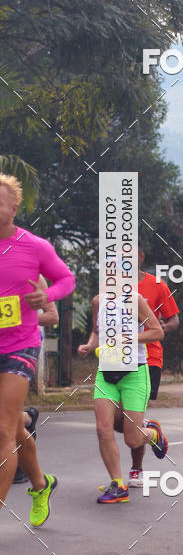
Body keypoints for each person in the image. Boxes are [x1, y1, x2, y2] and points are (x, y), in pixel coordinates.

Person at [0, 174, 76, 525]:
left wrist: (47, 296)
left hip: (19, 346)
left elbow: (67, 279)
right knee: (14, 429)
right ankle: (41, 484)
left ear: (13, 209)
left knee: (2, 431)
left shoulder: (34, 246)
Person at [78, 290, 168, 503]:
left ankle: (153, 434)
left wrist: (127, 338)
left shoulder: (135, 300)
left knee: (133, 439)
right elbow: (96, 331)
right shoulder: (97, 301)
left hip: (135, 373)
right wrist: (90, 345)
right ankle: (118, 484)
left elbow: (157, 332)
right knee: (103, 428)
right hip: (106, 372)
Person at [115, 242, 180, 488]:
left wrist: (159, 328)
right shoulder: (111, 286)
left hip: (148, 359)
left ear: (140, 257)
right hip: (116, 359)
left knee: (133, 418)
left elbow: (173, 320)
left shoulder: (156, 285)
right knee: (116, 421)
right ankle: (153, 432)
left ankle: (136, 470)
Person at [13, 275, 59, 484]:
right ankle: (27, 419)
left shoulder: (32, 273)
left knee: (5, 413)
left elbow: (52, 316)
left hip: (21, 346)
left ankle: (21, 468)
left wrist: (15, 318)